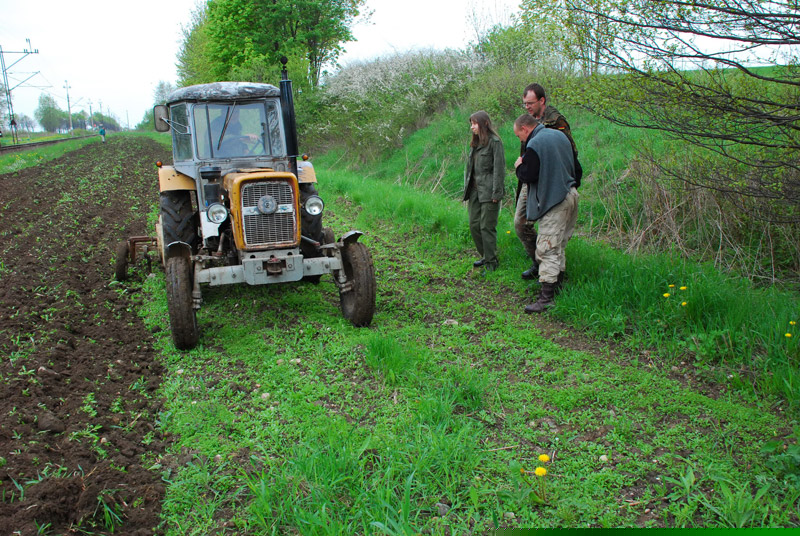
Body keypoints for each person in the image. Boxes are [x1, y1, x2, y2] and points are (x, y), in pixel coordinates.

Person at [513, 113, 579, 313]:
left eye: (519, 136)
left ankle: (546, 298)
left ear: (525, 129)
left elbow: (528, 175)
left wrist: (518, 167)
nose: (521, 140)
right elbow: (578, 168)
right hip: (571, 194)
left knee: (547, 247)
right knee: (559, 244)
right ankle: (557, 286)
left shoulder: (535, 144)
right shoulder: (561, 136)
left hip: (555, 201)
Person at [463, 111, 505, 272]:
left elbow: (499, 169)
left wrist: (497, 193)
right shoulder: (475, 143)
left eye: (474, 123)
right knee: (474, 225)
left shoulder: (495, 143)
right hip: (474, 191)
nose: (472, 126)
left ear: (484, 123)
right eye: (471, 123)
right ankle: (485, 255)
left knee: (486, 227)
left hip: (489, 191)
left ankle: (491, 263)